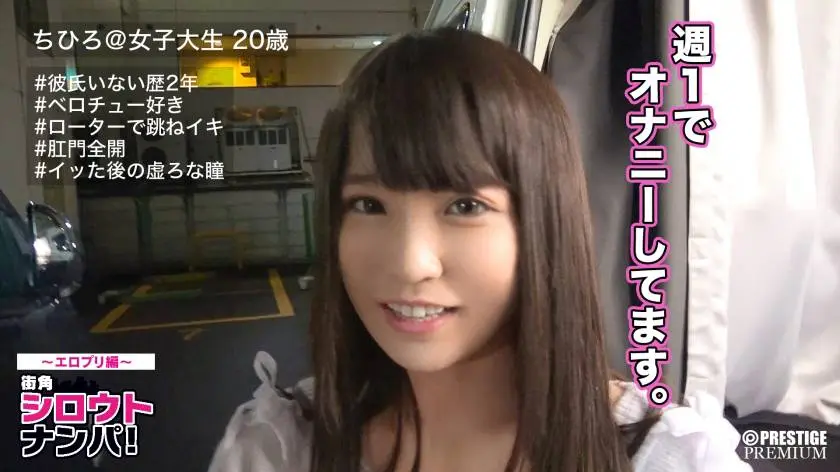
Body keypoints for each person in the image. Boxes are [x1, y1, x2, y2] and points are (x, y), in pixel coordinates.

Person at [208, 28, 751, 472]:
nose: (410, 263)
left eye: (465, 206)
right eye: (368, 205)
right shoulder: (280, 449)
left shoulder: (671, 461)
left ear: (543, 223)